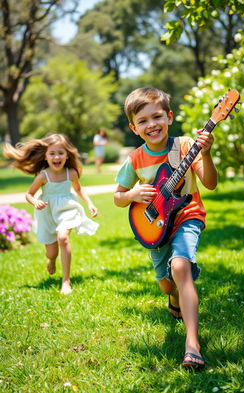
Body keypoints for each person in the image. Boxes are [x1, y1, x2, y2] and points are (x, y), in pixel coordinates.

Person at [114, 87, 218, 369]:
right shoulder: (135, 159)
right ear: (134, 128)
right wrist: (132, 195)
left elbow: (209, 183)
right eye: (143, 121)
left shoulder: (185, 146)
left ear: (169, 116)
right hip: (154, 225)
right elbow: (118, 197)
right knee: (165, 283)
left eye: (157, 116)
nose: (152, 125)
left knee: (181, 267)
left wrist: (205, 154)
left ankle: (192, 345)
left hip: (187, 215)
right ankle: (173, 299)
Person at [4, 134, 99, 295]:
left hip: (67, 209)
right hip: (47, 212)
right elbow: (29, 194)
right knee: (51, 252)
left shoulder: (71, 173)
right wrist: (35, 202)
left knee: (63, 238)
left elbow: (78, 189)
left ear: (67, 155)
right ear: (46, 156)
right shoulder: (43, 176)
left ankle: (66, 281)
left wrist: (89, 203)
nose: (57, 157)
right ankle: (52, 259)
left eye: (60, 153)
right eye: (52, 153)